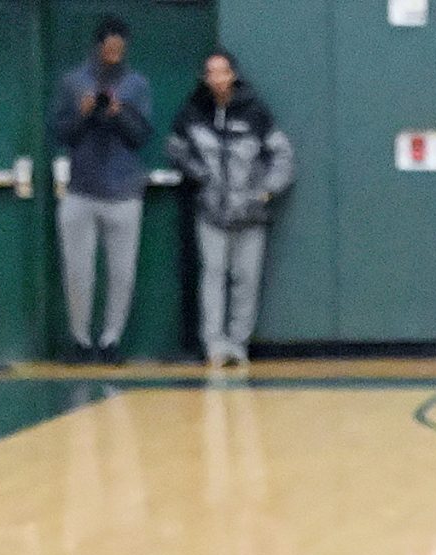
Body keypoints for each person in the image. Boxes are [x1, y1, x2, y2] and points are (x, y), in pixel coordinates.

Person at [168, 50, 294, 370]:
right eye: (211, 72)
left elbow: (283, 156)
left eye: (223, 71)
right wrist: (199, 174)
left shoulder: (256, 112)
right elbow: (175, 149)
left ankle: (238, 345)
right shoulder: (193, 111)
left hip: (250, 213)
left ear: (233, 74)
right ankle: (213, 345)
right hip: (209, 211)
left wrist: (267, 190)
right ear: (204, 77)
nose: (217, 78)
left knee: (246, 279)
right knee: (211, 277)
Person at [49, 15, 154, 364]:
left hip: (124, 191)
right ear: (98, 46)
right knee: (77, 270)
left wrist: (117, 111)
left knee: (122, 272)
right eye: (108, 47)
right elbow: (62, 133)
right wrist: (82, 114)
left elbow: (139, 136)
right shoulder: (72, 83)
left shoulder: (137, 85)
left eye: (119, 48)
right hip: (81, 189)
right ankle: (80, 339)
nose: (114, 53)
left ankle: (111, 339)